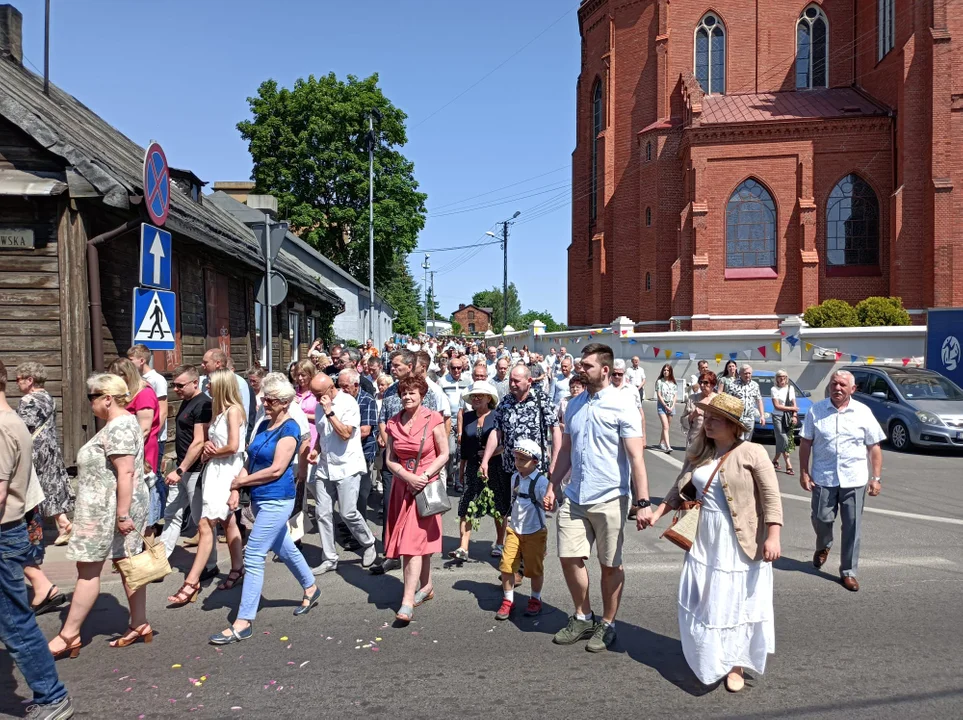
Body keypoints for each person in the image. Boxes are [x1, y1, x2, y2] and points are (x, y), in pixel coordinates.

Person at [642, 393, 783, 692]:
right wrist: (657, 513)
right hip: (705, 537)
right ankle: (712, 655)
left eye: (716, 418)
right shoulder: (700, 452)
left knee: (736, 600)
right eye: (707, 417)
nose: (708, 422)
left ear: (733, 425)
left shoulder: (753, 452)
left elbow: (771, 497)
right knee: (706, 598)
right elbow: (679, 487)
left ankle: (736, 664)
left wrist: (773, 535)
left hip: (739, 540)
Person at [545, 343, 650, 653]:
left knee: (609, 565)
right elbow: (565, 450)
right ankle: (582, 615)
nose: (581, 369)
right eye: (581, 364)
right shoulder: (574, 404)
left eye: (587, 365)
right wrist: (553, 485)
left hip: (611, 497)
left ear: (605, 370)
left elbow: (636, 457)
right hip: (575, 496)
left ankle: (607, 623)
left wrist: (642, 502)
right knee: (568, 556)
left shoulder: (623, 404)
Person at [209, 375, 320, 645]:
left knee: (254, 554)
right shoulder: (263, 426)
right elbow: (251, 460)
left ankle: (244, 621)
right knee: (284, 546)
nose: (264, 402)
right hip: (259, 498)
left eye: (269, 399)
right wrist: (236, 488)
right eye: (263, 398)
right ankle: (311, 586)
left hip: (278, 499)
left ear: (284, 403)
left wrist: (240, 482)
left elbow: (277, 469)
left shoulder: (290, 428)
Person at [50, 373, 152, 657]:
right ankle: (139, 623)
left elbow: (126, 472)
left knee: (89, 569)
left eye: (91, 397)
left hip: (109, 510)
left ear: (107, 398)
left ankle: (69, 635)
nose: (90, 403)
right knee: (127, 562)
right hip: (106, 508)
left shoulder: (119, 426)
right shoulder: (119, 424)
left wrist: (122, 515)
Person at [0, 359, 76, 719]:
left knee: (15, 622)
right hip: (13, 523)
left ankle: (51, 697)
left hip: (4, 529)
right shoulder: (15, 417)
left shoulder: (5, 423)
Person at [799, 370, 884, 592]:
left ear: (852, 389)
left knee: (852, 527)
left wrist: (876, 478)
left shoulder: (863, 412)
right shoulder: (816, 411)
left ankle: (848, 572)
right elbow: (806, 442)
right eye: (834, 383)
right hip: (823, 477)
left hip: (853, 479)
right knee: (820, 519)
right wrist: (803, 472)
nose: (837, 388)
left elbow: (874, 446)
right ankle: (823, 545)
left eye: (843, 385)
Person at [167, 370, 247, 606]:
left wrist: (212, 451)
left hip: (226, 470)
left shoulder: (233, 410)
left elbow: (234, 446)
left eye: (211, 383)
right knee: (227, 521)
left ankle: (192, 581)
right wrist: (210, 448)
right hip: (214, 469)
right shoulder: (218, 412)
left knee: (205, 523)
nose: (208, 386)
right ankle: (237, 567)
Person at [383, 375, 449, 622]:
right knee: (416, 543)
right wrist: (406, 476)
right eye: (404, 393)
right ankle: (427, 586)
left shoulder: (433, 418)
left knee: (413, 545)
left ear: (422, 395)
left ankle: (407, 600)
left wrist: (423, 475)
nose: (407, 397)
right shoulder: (393, 422)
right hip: (403, 488)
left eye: (412, 393)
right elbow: (389, 459)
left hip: (425, 488)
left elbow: (444, 454)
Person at [372, 350, 441, 574]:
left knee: (419, 517)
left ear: (410, 366)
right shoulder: (392, 390)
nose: (392, 368)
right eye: (391, 365)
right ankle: (391, 553)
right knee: (391, 508)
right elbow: (383, 419)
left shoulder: (424, 392)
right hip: (395, 457)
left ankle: (420, 558)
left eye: (397, 365)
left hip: (419, 466)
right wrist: (386, 438)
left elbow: (432, 425)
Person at [481, 365, 560, 558]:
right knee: (514, 511)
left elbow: (555, 429)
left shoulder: (541, 400)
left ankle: (533, 550)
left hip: (535, 469)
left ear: (529, 381)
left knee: (535, 510)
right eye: (511, 380)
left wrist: (555, 461)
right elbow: (496, 432)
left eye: (517, 381)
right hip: (510, 468)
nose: (513, 384)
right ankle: (515, 557)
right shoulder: (505, 402)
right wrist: (485, 460)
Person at [307, 372, 377, 574]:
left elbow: (346, 434)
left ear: (331, 388)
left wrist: (330, 413)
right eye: (313, 393)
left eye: (318, 393)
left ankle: (368, 542)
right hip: (325, 466)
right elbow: (322, 434)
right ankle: (329, 557)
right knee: (323, 513)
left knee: (348, 512)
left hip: (347, 466)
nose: (316, 397)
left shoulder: (348, 403)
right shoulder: (319, 406)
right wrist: (316, 450)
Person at [160, 366, 218, 579]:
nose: (176, 389)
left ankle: (210, 564)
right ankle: (162, 558)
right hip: (182, 469)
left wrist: (181, 469)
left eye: (180, 385)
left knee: (201, 520)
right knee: (171, 513)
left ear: (195, 383)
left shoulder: (203, 404)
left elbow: (199, 441)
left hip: (193, 471)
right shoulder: (186, 401)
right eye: (174, 385)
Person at [14, 362, 73, 545]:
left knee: (33, 488)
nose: (17, 383)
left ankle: (31, 533)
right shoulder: (49, 397)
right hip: (51, 448)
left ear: (30, 380)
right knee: (50, 487)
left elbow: (23, 428)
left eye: (19, 379)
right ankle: (63, 524)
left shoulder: (28, 401)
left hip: (35, 450)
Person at [448, 381, 503, 562]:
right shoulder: (468, 416)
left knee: (498, 506)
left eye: (481, 395)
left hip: (495, 467)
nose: (476, 398)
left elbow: (507, 444)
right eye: (473, 395)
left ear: (489, 398)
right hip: (472, 466)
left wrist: (491, 452)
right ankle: (463, 547)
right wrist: (461, 469)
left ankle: (500, 543)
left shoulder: (497, 416)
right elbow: (464, 445)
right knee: (467, 504)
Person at [496, 438, 550, 621]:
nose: (517, 463)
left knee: (534, 569)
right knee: (506, 565)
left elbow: (553, 505)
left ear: (535, 461)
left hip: (535, 531)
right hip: (514, 530)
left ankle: (535, 598)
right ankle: (508, 600)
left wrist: (551, 503)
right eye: (516, 459)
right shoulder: (515, 477)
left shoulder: (542, 482)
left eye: (522, 460)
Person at [108, 358, 162, 531]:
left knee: (142, 493)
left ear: (127, 375)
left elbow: (144, 429)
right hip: (128, 451)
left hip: (141, 450)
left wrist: (126, 450)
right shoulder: (129, 393)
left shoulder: (144, 393)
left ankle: (146, 536)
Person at [127, 345, 169, 513]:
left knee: (154, 475)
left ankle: (159, 512)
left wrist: (154, 434)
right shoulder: (137, 379)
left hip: (154, 436)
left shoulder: (156, 379)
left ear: (142, 360)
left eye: (131, 361)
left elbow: (163, 410)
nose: (129, 364)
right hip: (143, 435)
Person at [337, 369, 378, 522]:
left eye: (345, 386)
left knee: (361, 492)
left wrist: (342, 436)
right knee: (345, 491)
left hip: (363, 452)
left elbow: (365, 430)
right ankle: (347, 524)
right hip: (342, 452)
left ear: (356, 385)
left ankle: (360, 530)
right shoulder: (340, 400)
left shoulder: (367, 400)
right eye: (339, 386)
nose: (342, 390)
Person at [437, 356, 471, 491]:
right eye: (453, 368)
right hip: (448, 421)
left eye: (459, 367)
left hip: (464, 419)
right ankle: (449, 473)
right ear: (449, 368)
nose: (456, 370)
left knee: (461, 453)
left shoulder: (468, 381)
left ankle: (459, 480)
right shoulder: (442, 382)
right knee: (450, 451)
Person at [200, 349, 255, 432]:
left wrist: (246, 438)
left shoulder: (237, 382)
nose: (202, 365)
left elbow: (245, 412)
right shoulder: (202, 381)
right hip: (211, 431)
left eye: (205, 362)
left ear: (217, 363)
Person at [724, 365, 765, 442]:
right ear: (740, 374)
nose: (748, 375)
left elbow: (759, 400)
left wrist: (762, 416)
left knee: (747, 442)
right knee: (738, 441)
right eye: (745, 373)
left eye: (749, 373)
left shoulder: (755, 385)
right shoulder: (733, 384)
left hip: (750, 418)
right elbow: (728, 401)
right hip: (737, 418)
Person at [771, 370, 798, 474]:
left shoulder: (790, 388)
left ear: (787, 378)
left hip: (788, 417)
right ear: (776, 378)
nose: (782, 378)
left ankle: (775, 460)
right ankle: (788, 464)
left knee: (780, 440)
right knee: (784, 439)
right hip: (777, 416)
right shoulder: (774, 389)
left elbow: (794, 403)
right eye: (780, 377)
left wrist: (794, 415)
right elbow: (777, 406)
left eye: (784, 377)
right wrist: (791, 408)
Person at [684, 371, 718, 447]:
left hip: (713, 441)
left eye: (706, 382)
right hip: (694, 439)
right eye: (700, 382)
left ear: (713, 384)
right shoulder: (692, 398)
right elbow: (683, 422)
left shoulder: (718, 400)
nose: (702, 385)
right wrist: (693, 415)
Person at [655, 364, 677, 453]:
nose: (666, 372)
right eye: (664, 370)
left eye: (667, 370)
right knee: (665, 426)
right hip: (662, 406)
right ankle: (668, 446)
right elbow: (659, 395)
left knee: (667, 426)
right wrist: (665, 406)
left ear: (670, 372)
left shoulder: (673, 383)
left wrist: (671, 406)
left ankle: (661, 442)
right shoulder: (659, 382)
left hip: (671, 406)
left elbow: (675, 396)